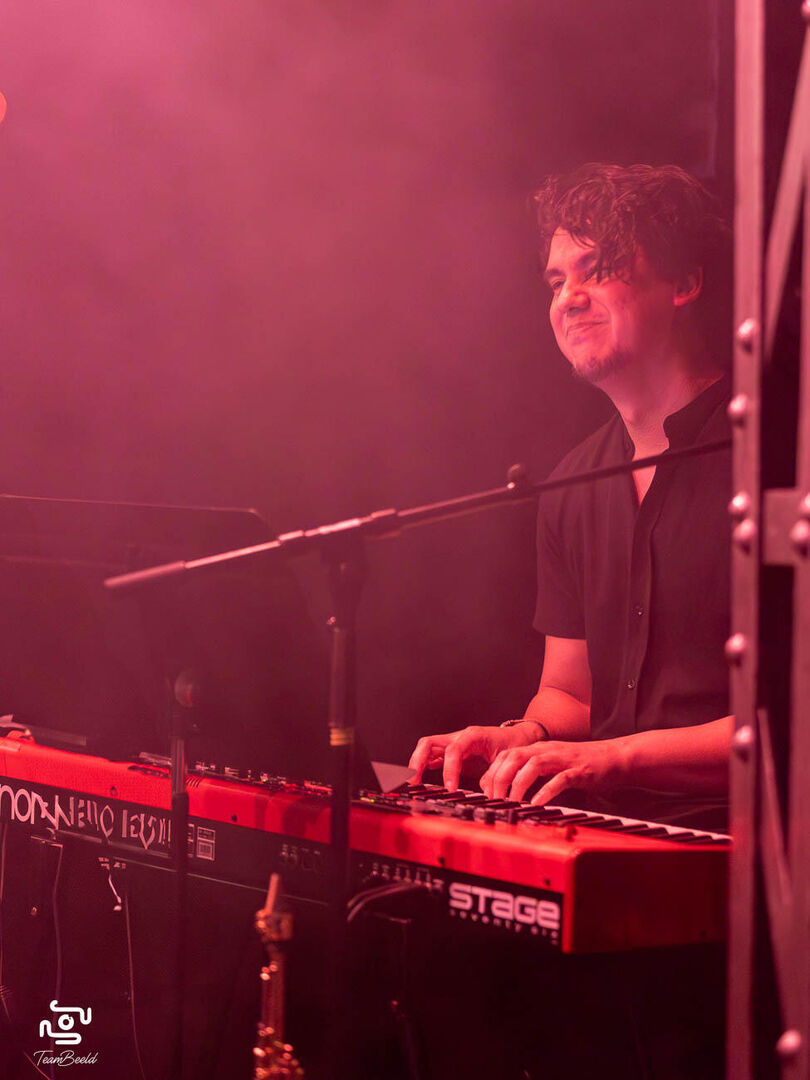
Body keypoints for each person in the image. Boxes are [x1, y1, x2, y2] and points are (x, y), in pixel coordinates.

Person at [409, 162, 733, 829]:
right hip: (612, 832)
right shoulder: (572, 481)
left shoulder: (781, 456)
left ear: (684, 282)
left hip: (759, 847)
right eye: (558, 281)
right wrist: (521, 736)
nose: (568, 298)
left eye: (598, 269)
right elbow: (569, 694)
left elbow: (793, 723)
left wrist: (615, 759)